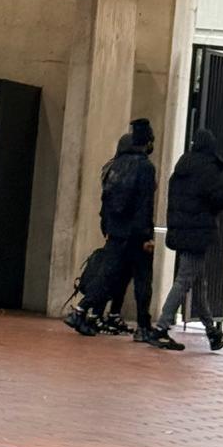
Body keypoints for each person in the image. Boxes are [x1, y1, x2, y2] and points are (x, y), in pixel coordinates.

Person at [64, 118, 157, 340]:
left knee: (108, 274)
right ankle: (144, 327)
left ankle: (81, 309)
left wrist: (107, 227)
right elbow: (144, 204)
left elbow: (106, 200)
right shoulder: (145, 167)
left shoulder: (113, 166)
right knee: (142, 279)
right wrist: (147, 235)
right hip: (136, 233)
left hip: (116, 230)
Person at [147, 129, 223, 352]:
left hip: (182, 229)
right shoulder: (207, 169)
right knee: (185, 280)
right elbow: (221, 197)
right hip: (198, 231)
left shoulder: (181, 168)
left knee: (197, 281)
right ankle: (161, 327)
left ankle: (211, 331)